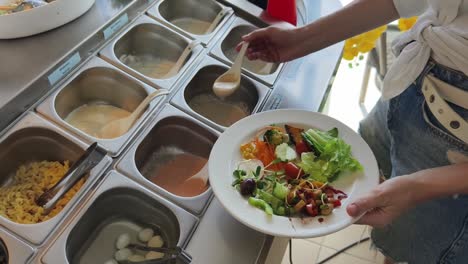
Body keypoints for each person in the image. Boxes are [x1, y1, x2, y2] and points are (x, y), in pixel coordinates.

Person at [239, 0, 468, 263]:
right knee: (375, 176)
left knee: (413, 246)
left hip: (458, 146)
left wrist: (417, 187)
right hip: (412, 79)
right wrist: (299, 40)